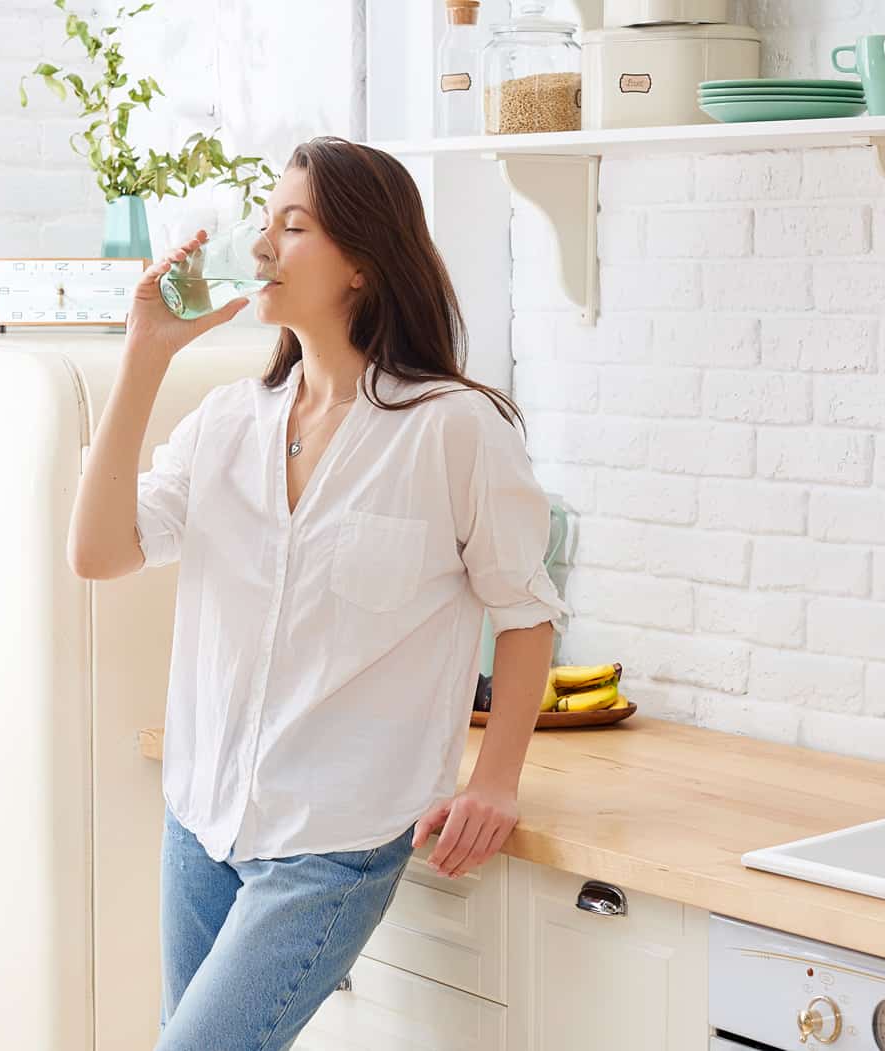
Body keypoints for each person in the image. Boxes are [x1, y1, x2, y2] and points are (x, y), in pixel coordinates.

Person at [66, 136, 571, 1050]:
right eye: (264, 225)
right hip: (203, 820)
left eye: (292, 226)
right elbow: (97, 552)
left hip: (332, 843)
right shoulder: (226, 421)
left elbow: (526, 611)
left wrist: (496, 780)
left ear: (364, 268)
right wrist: (145, 355)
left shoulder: (453, 430)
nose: (262, 247)